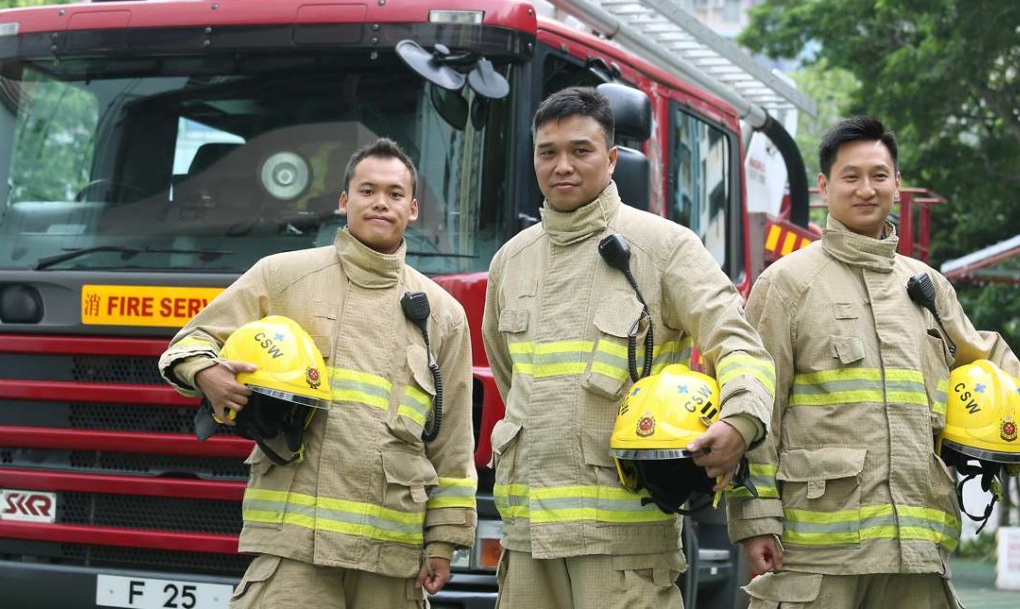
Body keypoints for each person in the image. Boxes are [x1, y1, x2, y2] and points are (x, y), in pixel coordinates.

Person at [481, 86, 776, 609]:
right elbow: (512, 378)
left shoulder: (663, 248)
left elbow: (739, 344)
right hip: (527, 542)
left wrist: (740, 422)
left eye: (581, 150)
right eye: (548, 153)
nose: (562, 166)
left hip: (624, 545)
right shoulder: (510, 262)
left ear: (613, 159)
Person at [158, 137, 477, 609]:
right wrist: (206, 373)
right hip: (293, 547)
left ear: (412, 209)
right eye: (367, 191)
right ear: (344, 201)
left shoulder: (443, 316)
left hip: (391, 555)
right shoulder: (281, 277)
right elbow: (190, 341)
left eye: (394, 194)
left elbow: (453, 444)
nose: (380, 203)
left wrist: (444, 540)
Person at [729, 116, 1020, 608]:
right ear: (824, 186)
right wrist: (755, 520)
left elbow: (990, 362)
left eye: (879, 175)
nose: (867, 189)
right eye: (851, 177)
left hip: (917, 557)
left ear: (898, 183)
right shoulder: (787, 284)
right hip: (817, 558)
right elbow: (758, 408)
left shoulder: (928, 287)